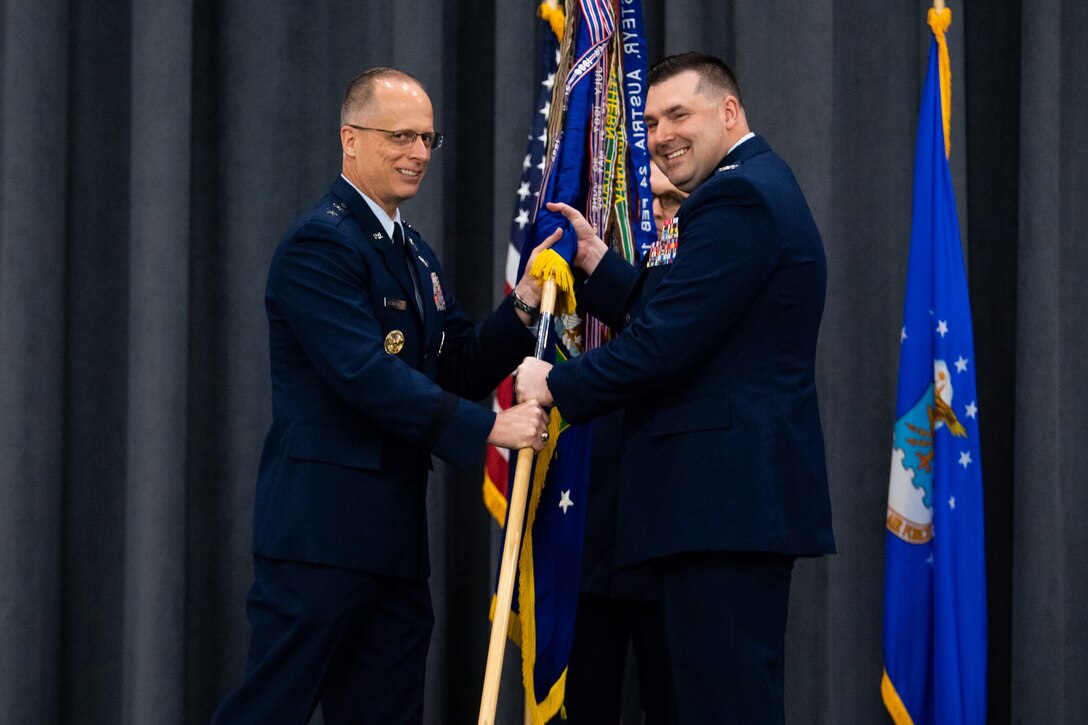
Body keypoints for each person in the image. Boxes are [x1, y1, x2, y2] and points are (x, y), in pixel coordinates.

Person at [212, 67, 550, 724]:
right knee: (270, 708)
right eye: (400, 136)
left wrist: (525, 305)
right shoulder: (321, 244)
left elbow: (455, 364)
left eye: (428, 138)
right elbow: (366, 375)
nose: (418, 153)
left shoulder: (414, 254)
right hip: (320, 536)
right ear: (350, 139)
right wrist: (486, 430)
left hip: (394, 543)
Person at [516, 53, 835, 723]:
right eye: (652, 120)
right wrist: (604, 269)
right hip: (727, 511)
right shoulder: (759, 185)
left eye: (679, 115)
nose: (660, 135)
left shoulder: (736, 196)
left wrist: (555, 385)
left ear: (729, 111)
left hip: (721, 508)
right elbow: (689, 309)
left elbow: (664, 344)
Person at [562, 162, 686, 725]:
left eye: (672, 203)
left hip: (671, 527)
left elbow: (662, 337)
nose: (657, 218)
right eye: (648, 202)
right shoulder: (618, 252)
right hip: (592, 513)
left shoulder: (714, 254)